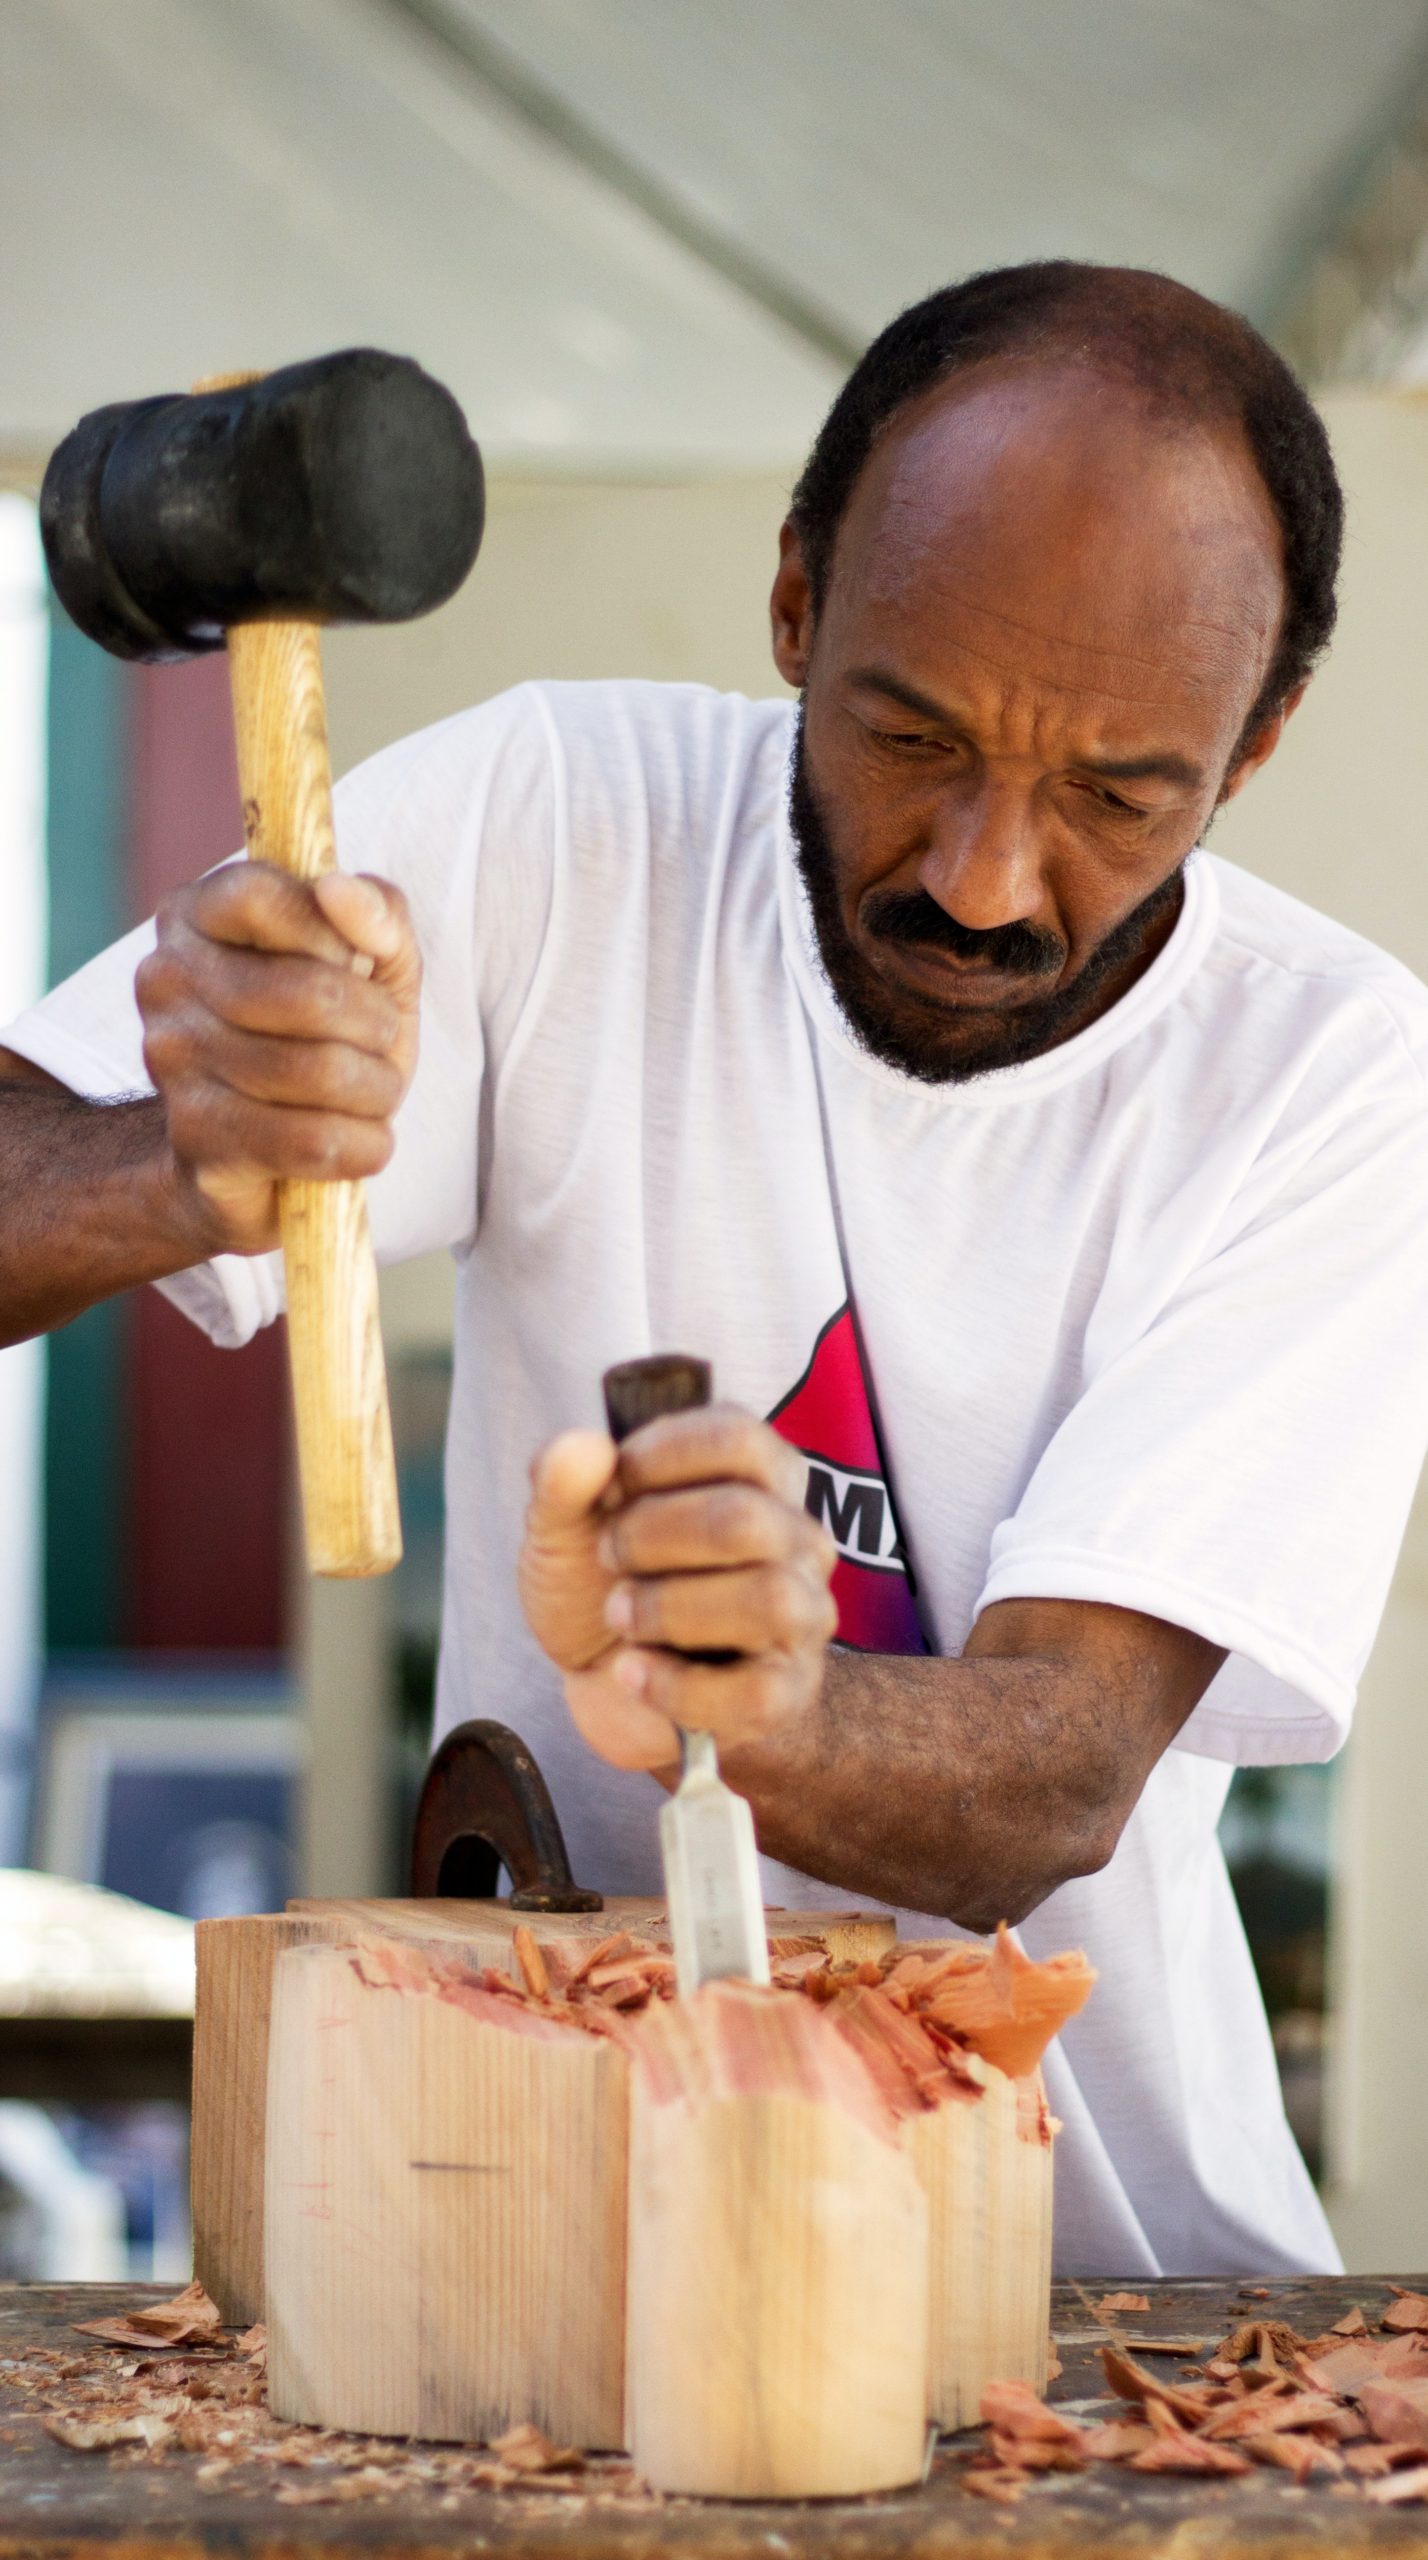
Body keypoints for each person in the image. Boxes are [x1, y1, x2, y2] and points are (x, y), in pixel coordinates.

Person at [4, 261, 1426, 2278]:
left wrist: (770, 1708)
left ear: (1257, 741)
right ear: (793, 606)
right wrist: (180, 1156)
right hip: (544, 2245)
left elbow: (1059, 1765)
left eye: (1119, 794)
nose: (981, 874)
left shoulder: (1327, 1072)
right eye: (911, 732)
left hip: (1109, 2290)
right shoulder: (559, 820)